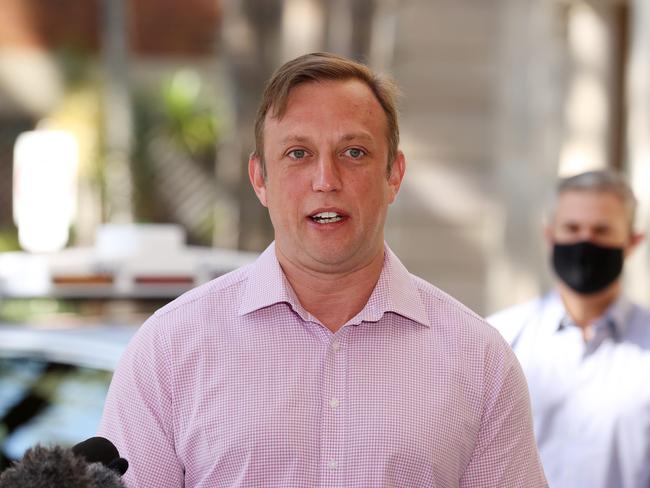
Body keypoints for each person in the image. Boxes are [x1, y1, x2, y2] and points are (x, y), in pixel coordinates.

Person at [98, 52, 547, 487]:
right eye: (297, 153)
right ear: (260, 180)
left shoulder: (479, 360)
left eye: (353, 152)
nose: (326, 179)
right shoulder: (169, 349)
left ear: (394, 174)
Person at [488, 169, 650, 488]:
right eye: (572, 228)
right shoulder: (498, 340)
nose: (584, 241)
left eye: (601, 230)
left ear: (632, 242)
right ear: (550, 236)